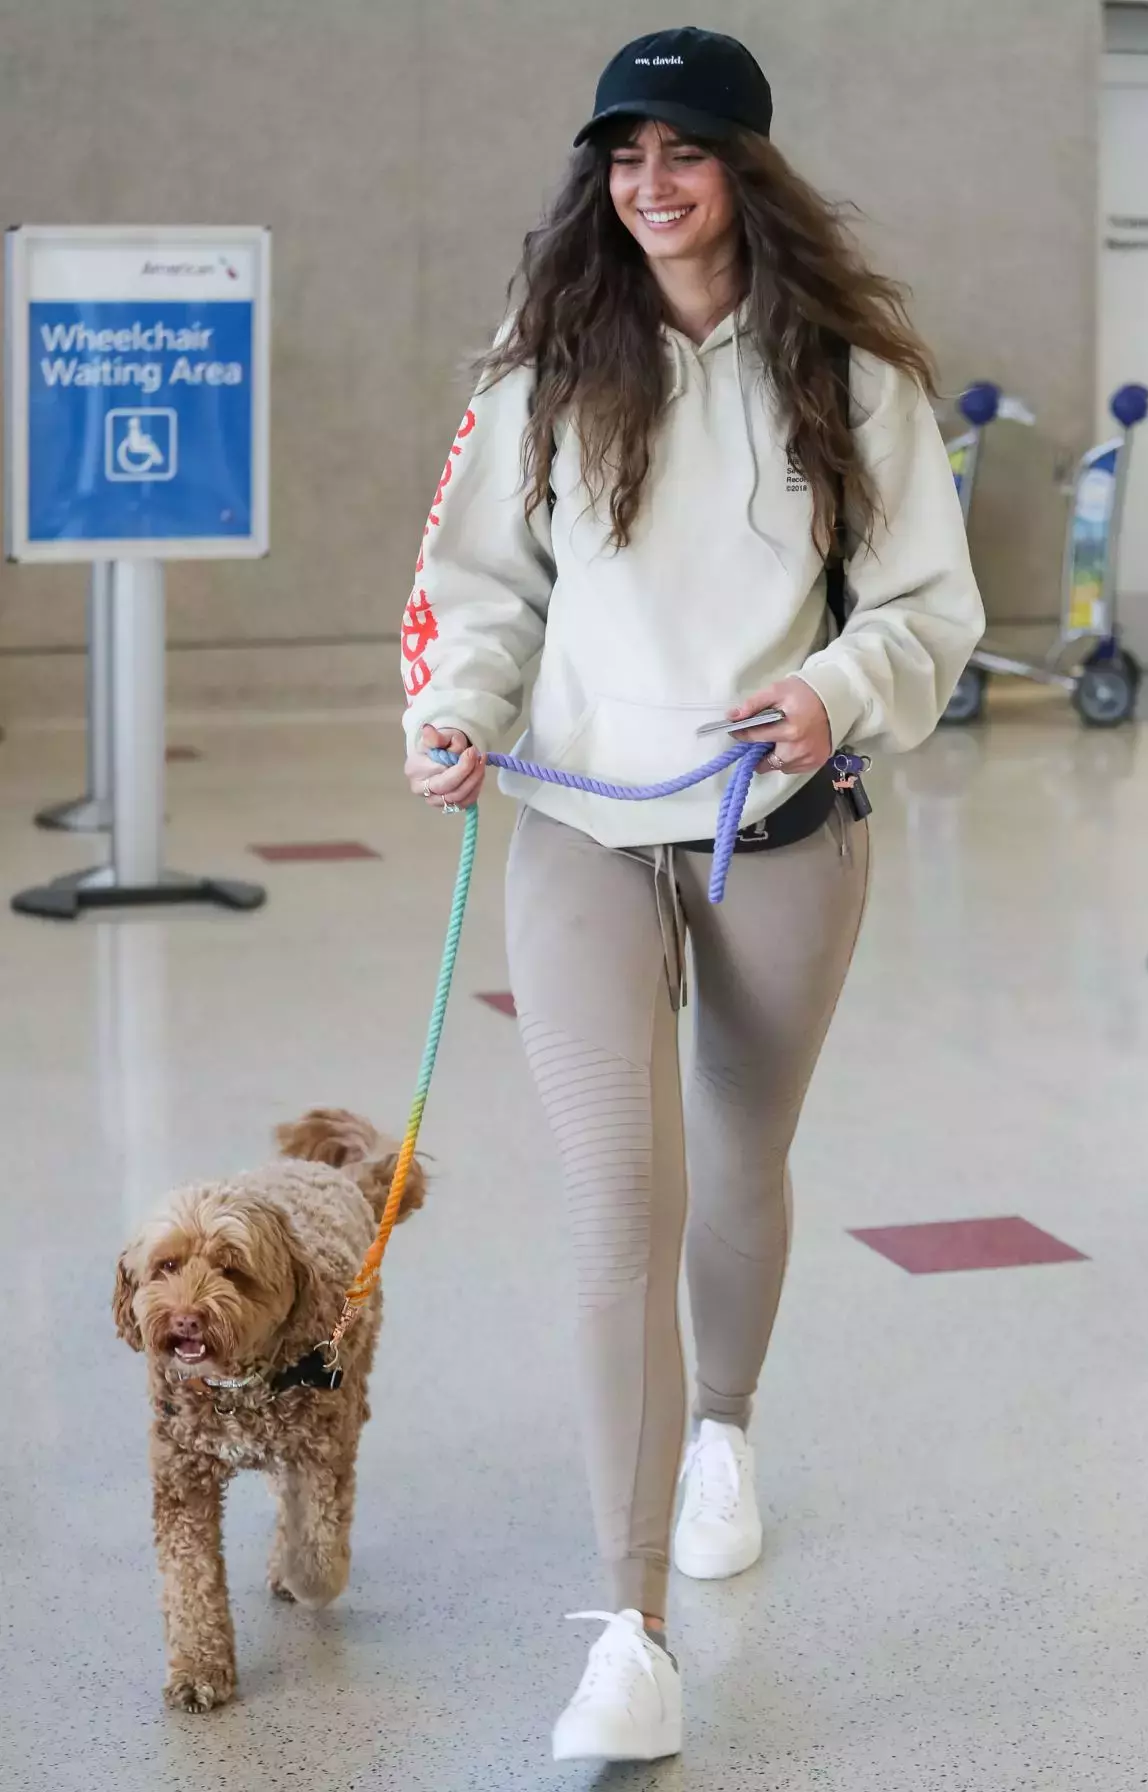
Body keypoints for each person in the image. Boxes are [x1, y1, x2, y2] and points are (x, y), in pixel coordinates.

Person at [402, 26, 983, 1765]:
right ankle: (628, 1623)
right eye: (624, 154)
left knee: (738, 1163)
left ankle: (722, 1422)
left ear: (746, 169)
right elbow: (485, 587)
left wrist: (832, 693)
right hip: (580, 823)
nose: (652, 185)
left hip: (779, 835)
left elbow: (929, 614)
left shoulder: (854, 374)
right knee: (617, 1203)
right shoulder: (543, 362)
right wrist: (458, 709)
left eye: (688, 152)